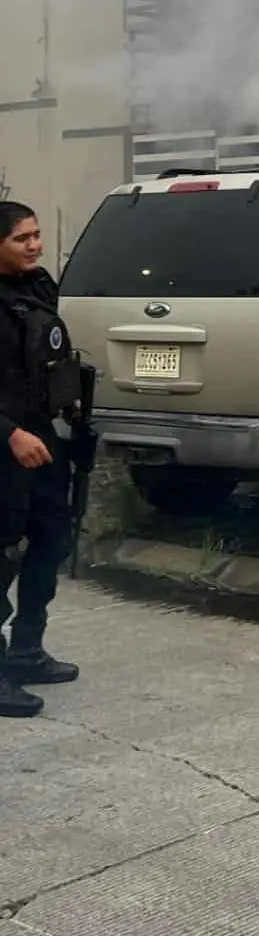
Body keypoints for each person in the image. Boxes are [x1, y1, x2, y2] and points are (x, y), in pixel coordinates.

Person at [0, 200, 80, 717]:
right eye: (21, 238)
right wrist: (9, 434)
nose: (34, 245)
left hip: (44, 441)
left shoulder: (38, 286)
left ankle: (27, 651)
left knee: (51, 541)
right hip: (7, 446)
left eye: (36, 235)